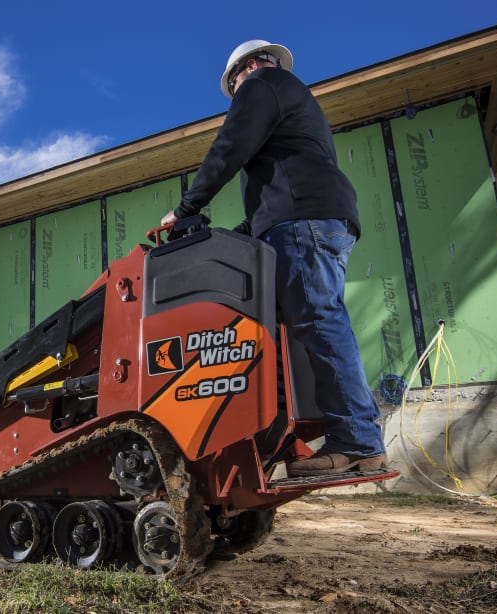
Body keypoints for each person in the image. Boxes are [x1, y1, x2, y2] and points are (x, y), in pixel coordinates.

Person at [160, 40, 386, 477]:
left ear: (243, 70)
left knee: (319, 321)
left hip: (303, 222)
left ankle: (358, 441)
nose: (236, 94)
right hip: (316, 220)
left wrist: (186, 209)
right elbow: (279, 189)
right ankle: (282, 432)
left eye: (233, 87)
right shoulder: (293, 101)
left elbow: (229, 147)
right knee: (294, 326)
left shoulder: (263, 83)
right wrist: (231, 236)